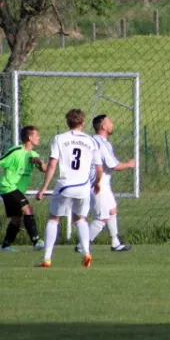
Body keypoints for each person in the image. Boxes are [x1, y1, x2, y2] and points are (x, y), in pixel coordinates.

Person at [36, 109, 103, 268]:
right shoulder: (91, 141)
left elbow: (52, 164)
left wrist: (44, 188)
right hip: (83, 187)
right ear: (82, 122)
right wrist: (97, 183)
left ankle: (47, 258)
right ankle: (86, 252)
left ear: (68, 123)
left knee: (54, 219)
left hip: (66, 185)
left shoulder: (59, 139)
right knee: (80, 219)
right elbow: (99, 168)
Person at [74, 115, 134, 253]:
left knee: (112, 210)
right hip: (98, 183)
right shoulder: (99, 143)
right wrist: (129, 164)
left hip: (103, 183)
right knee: (101, 219)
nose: (112, 124)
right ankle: (82, 244)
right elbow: (114, 165)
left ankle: (115, 243)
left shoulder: (101, 141)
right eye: (109, 122)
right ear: (103, 126)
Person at [0, 126, 47, 251]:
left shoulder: (33, 155)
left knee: (16, 218)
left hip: (17, 190)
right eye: (37, 135)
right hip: (8, 187)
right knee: (28, 209)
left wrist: (40, 162)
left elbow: (45, 169)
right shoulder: (16, 152)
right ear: (30, 138)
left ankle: (5, 245)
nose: (39, 138)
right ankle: (36, 241)